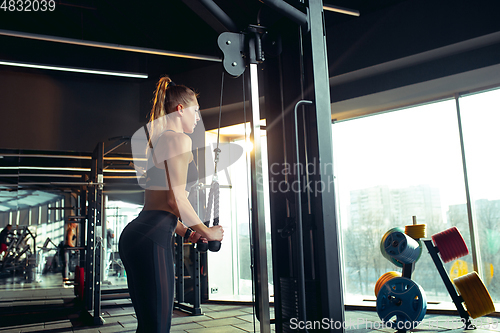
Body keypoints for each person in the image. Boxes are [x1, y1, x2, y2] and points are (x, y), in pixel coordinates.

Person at [119, 76, 224, 332]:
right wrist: (209, 231)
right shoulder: (179, 140)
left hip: (138, 235)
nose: (198, 118)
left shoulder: (162, 140)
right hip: (151, 239)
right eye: (195, 111)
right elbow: (175, 198)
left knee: (149, 325)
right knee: (157, 327)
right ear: (180, 110)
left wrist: (189, 232)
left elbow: (161, 208)